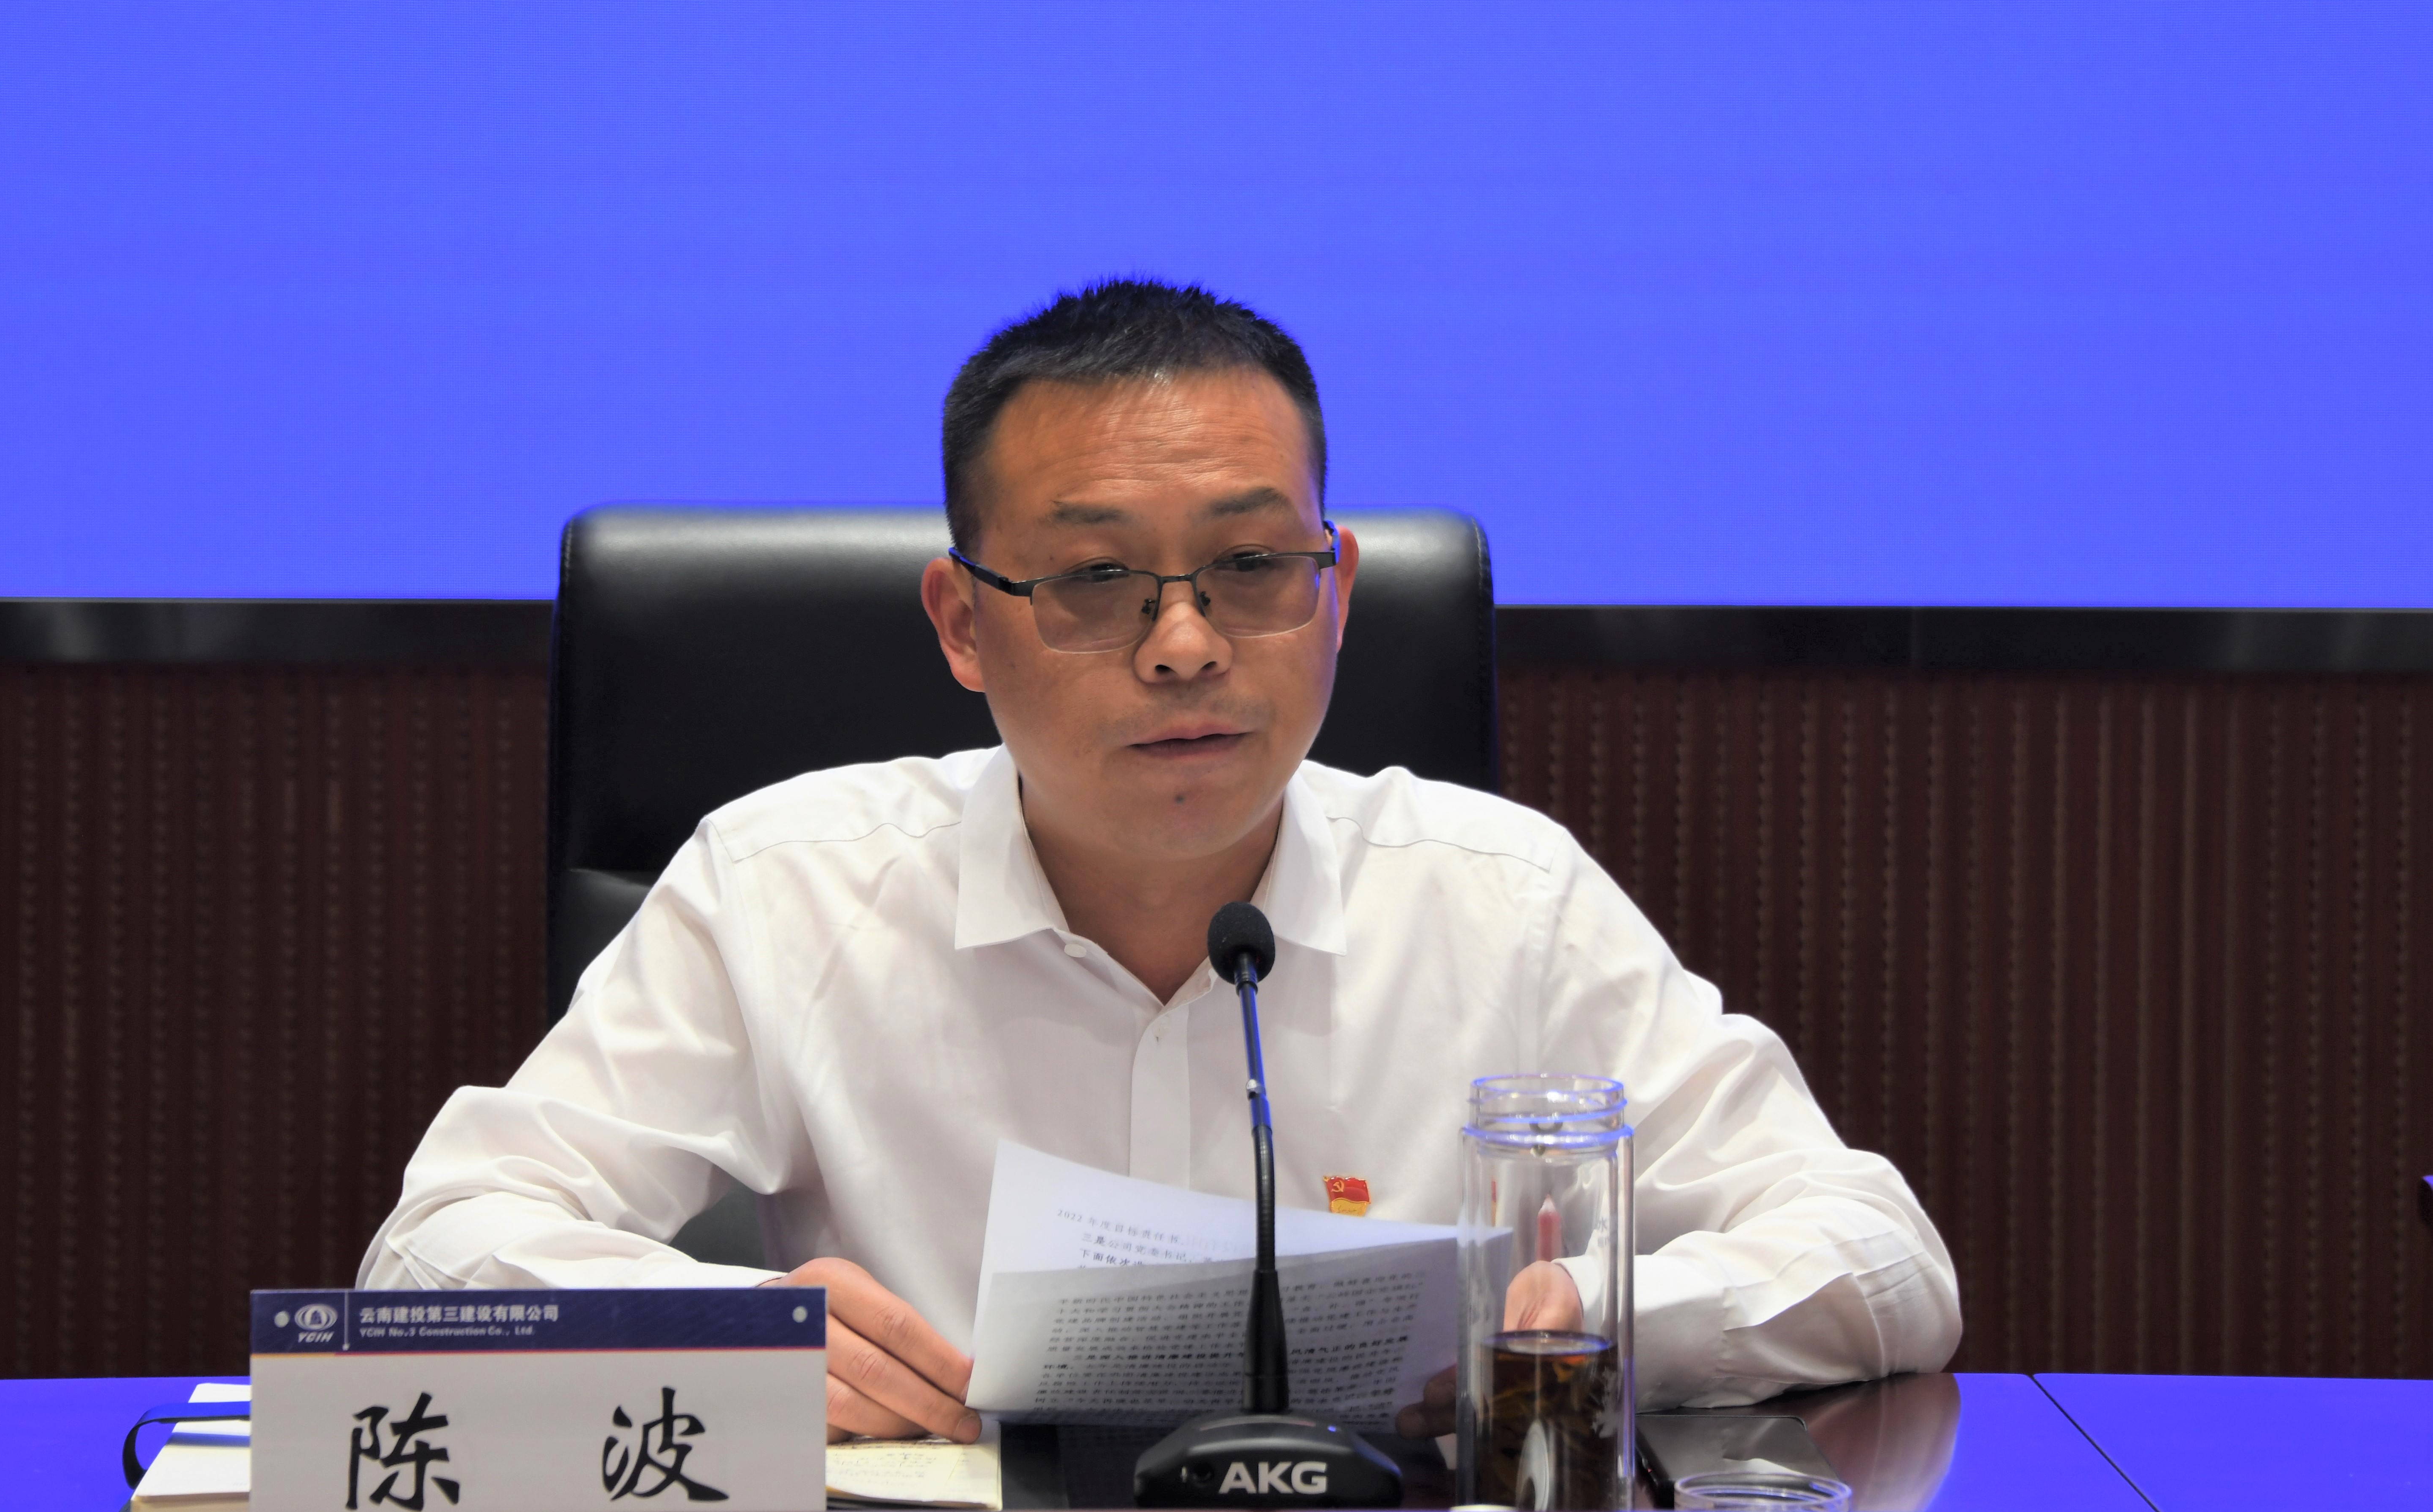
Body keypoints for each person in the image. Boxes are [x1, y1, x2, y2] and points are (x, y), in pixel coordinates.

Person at [359, 279, 1961, 1443]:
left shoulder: (1501, 898)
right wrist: (729, 1332)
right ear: (962, 622)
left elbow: (1883, 1256)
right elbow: (433, 1253)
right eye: (1097, 579)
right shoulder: (786, 887)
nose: (1186, 644)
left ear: (1336, 592)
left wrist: (1600, 1316)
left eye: (1252, 565)